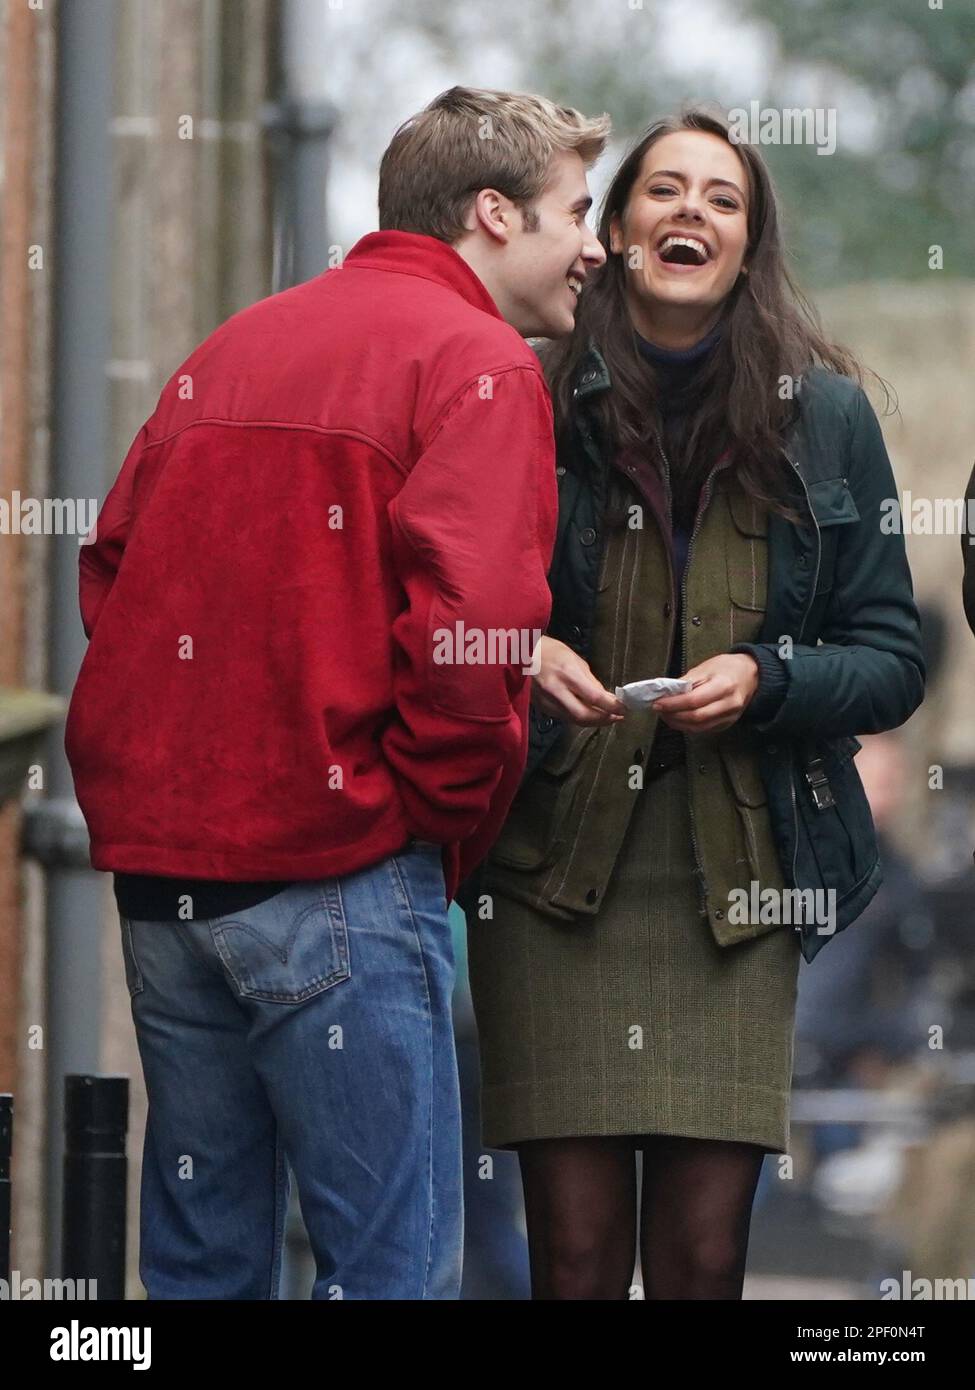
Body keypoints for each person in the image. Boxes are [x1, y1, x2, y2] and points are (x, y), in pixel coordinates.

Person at [64, 85, 609, 1300]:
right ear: (492, 214)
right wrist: (427, 819)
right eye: (578, 210)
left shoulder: (238, 341)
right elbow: (473, 634)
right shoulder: (476, 361)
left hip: (171, 888)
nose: (598, 243)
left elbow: (112, 570)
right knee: (390, 1270)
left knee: (202, 1264)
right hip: (341, 871)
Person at [462, 108, 925, 1300]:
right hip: (552, 873)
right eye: (663, 191)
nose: (691, 214)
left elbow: (888, 657)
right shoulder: (529, 389)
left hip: (745, 874)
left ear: (750, 242)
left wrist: (772, 678)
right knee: (570, 1259)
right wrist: (524, 650)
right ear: (613, 230)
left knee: (705, 1257)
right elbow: (446, 602)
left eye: (723, 200)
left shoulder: (823, 417)